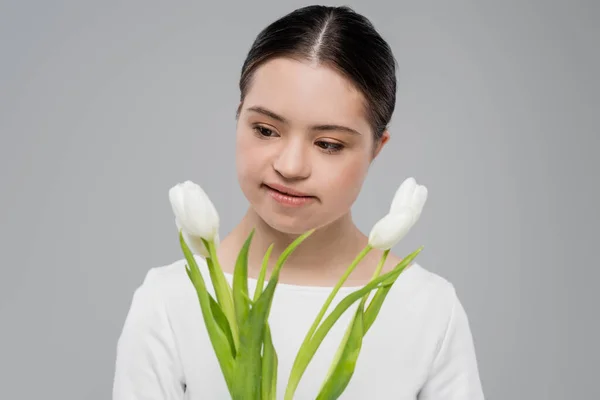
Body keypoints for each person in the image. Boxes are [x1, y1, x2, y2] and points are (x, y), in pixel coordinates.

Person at [112, 5, 485, 399]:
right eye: (266, 130)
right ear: (238, 118)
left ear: (377, 148)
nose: (289, 167)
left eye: (328, 144)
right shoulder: (169, 301)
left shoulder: (427, 309)